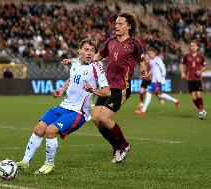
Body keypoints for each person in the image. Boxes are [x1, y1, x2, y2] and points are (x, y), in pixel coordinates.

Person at [16, 38, 110, 174]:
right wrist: (62, 89)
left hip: (78, 112)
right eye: (86, 50)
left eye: (92, 51)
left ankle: (49, 164)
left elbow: (107, 91)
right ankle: (25, 162)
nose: (90, 53)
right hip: (64, 106)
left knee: (50, 131)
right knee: (39, 129)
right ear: (80, 51)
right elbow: (72, 78)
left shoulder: (97, 69)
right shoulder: (76, 63)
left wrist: (92, 90)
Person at [91, 10, 150, 163]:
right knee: (96, 119)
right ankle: (117, 147)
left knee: (104, 118)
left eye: (120, 23)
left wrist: (144, 72)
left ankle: (124, 146)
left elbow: (141, 63)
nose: (116, 26)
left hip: (121, 87)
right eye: (115, 23)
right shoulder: (110, 42)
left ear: (128, 26)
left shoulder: (134, 44)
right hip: (106, 87)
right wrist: (85, 59)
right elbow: (98, 56)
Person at [135, 48, 180, 114]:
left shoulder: (157, 59)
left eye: (150, 53)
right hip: (154, 80)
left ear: (154, 53)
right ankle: (176, 101)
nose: (149, 55)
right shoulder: (151, 61)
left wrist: (163, 77)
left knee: (149, 92)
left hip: (157, 80)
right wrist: (148, 74)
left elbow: (163, 67)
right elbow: (153, 70)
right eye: (149, 53)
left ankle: (143, 110)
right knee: (159, 95)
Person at [180, 41, 207, 119]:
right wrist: (182, 73)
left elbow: (204, 66)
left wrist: (200, 71)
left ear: (197, 47)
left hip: (197, 78)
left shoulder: (201, 57)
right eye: (191, 46)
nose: (192, 47)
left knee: (198, 95)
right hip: (189, 79)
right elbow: (181, 64)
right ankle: (202, 110)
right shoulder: (186, 56)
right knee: (194, 97)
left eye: (194, 46)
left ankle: (201, 112)